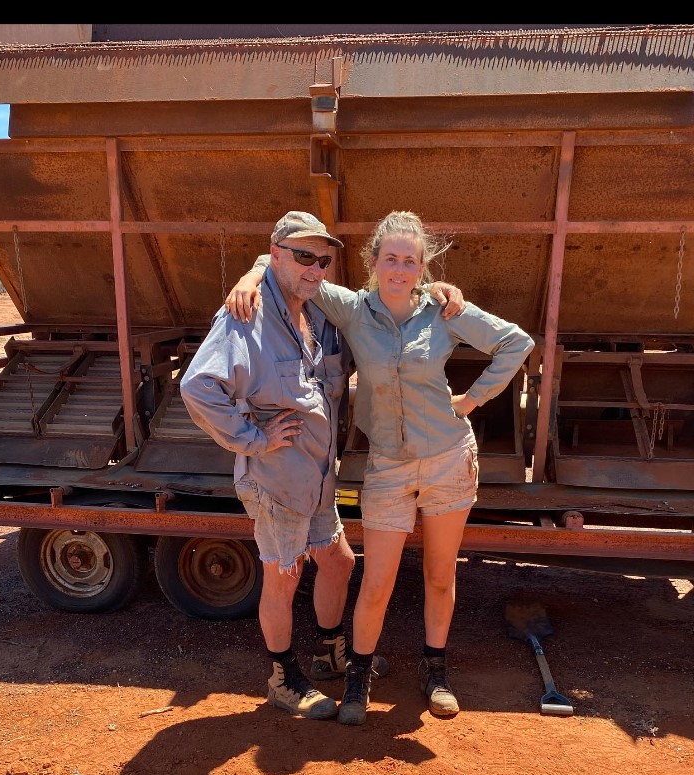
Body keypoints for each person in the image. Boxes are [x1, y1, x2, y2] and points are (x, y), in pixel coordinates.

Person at [226, 210, 535, 726]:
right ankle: (358, 675)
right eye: (390, 258)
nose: (399, 269)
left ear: (422, 268)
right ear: (373, 262)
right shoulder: (351, 309)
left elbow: (515, 343)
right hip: (388, 467)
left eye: (409, 261)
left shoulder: (443, 311)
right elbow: (285, 262)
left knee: (439, 576)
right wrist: (248, 276)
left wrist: (472, 401)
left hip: (447, 460)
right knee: (377, 581)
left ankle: (435, 670)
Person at [180, 210, 465, 720]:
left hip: (317, 479)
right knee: (283, 576)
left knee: (339, 562)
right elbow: (198, 387)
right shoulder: (247, 315)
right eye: (302, 255)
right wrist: (251, 438)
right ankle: (283, 677)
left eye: (323, 259)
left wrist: (438, 292)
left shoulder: (321, 316)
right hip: (277, 478)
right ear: (275, 253)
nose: (314, 267)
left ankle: (331, 649)